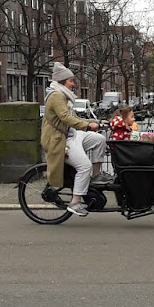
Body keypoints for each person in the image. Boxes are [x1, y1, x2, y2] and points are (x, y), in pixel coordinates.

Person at [41, 62, 110, 217]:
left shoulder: (64, 95)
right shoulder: (56, 96)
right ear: (63, 81)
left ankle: (96, 175)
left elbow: (73, 118)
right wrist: (87, 126)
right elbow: (66, 118)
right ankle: (75, 202)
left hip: (71, 134)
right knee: (84, 166)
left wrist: (97, 123)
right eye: (71, 81)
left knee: (99, 140)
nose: (73, 84)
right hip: (61, 139)